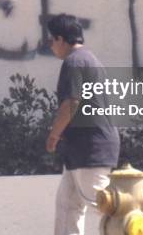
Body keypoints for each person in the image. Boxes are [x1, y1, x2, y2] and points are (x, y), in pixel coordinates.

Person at [45, 13, 120, 235]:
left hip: (90, 149)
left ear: (60, 39)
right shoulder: (89, 59)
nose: (50, 46)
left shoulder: (74, 61)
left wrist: (53, 135)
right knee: (67, 205)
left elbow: (72, 102)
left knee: (108, 208)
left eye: (51, 40)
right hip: (82, 150)